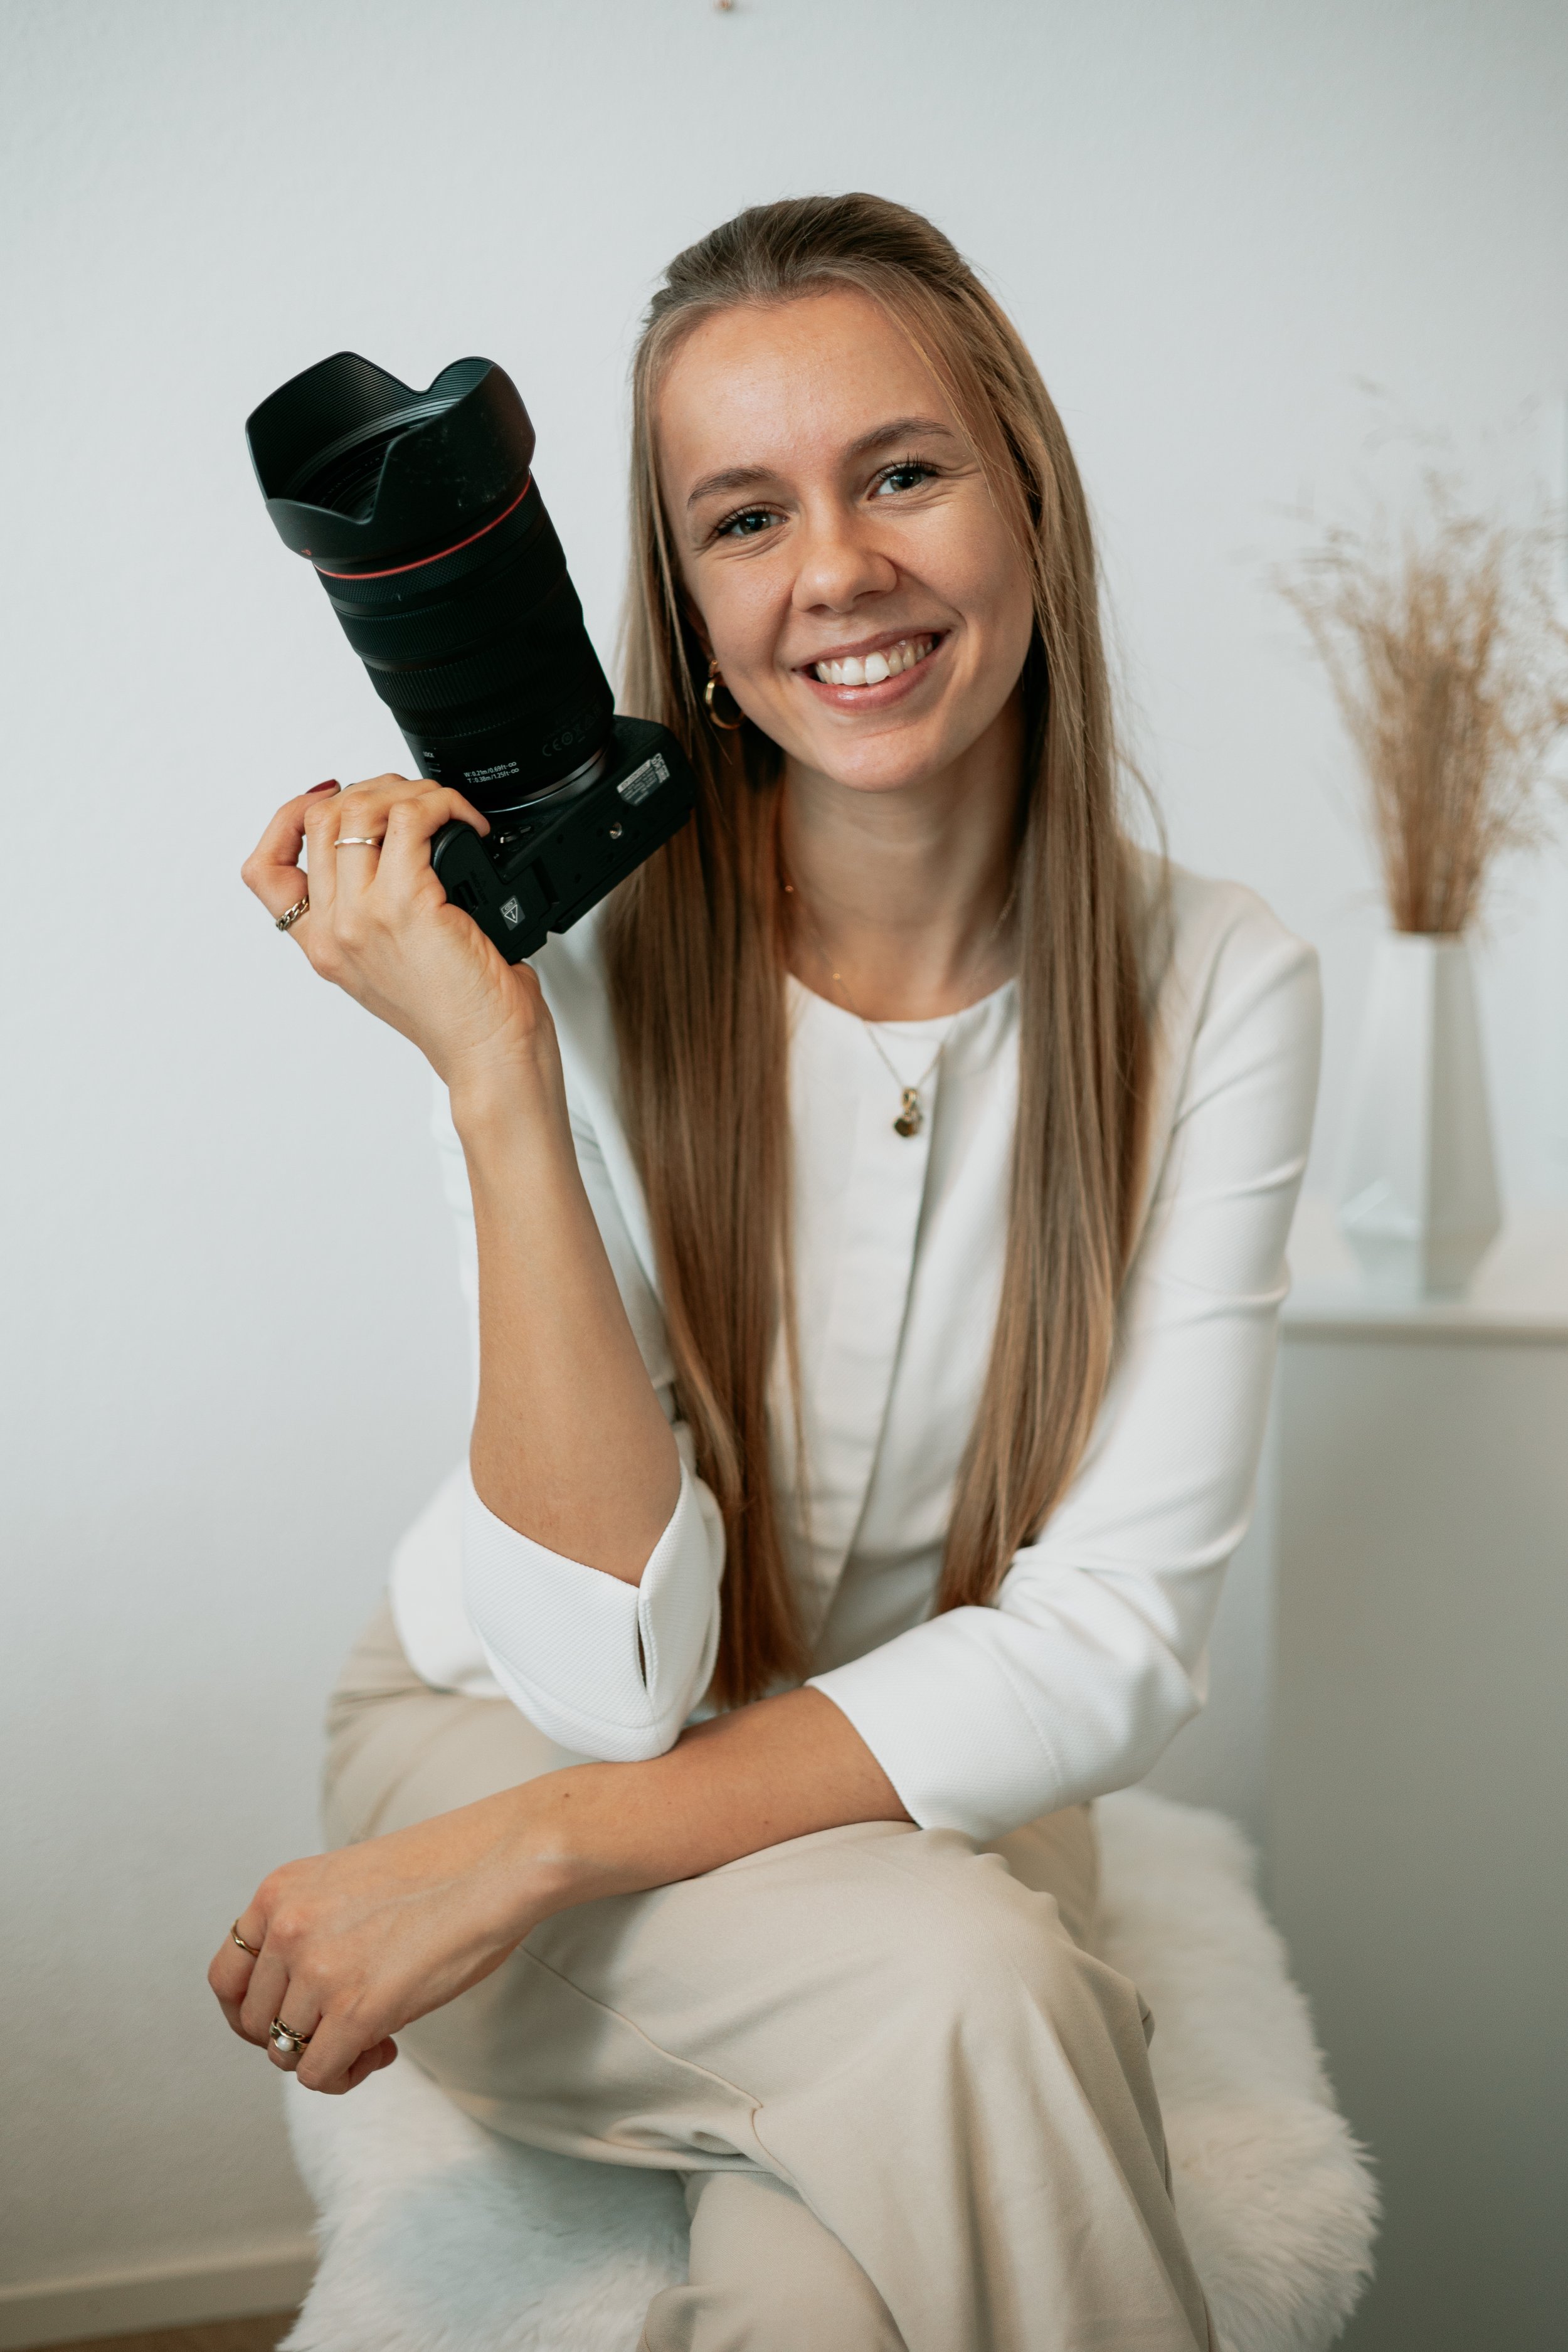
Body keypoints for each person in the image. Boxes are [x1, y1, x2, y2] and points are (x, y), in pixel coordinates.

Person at [214, 193, 1319, 2352]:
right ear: (685, 589)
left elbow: (1104, 1650)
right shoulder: (591, 937)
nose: (834, 574)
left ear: (1025, 493)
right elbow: (603, 1688)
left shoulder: (1216, 984)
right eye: (743, 516)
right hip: (488, 1734)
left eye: (898, 472)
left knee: (833, 2282)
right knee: (972, 1982)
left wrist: (535, 1854)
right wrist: (495, 1067)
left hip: (855, 1798)